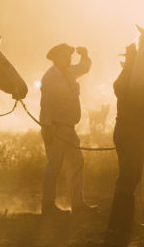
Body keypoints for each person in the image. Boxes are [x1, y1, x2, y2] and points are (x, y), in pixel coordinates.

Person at [39, 43, 98, 215]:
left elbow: (84, 67)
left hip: (68, 128)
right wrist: (47, 127)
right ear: (56, 58)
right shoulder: (50, 78)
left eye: (70, 56)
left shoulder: (69, 72)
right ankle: (48, 206)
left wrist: (85, 54)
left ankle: (78, 205)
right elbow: (46, 104)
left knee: (77, 164)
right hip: (56, 127)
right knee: (54, 167)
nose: (69, 59)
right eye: (66, 56)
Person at [107, 44, 144, 239]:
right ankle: (117, 221)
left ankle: (125, 219)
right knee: (128, 176)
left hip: (134, 130)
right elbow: (126, 92)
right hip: (131, 131)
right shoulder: (127, 77)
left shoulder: (134, 77)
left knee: (132, 176)